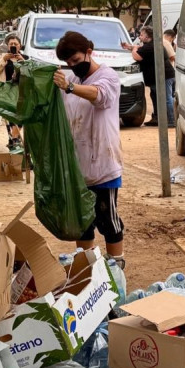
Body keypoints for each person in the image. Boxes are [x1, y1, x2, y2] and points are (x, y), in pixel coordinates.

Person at [53, 31, 125, 269]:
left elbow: (100, 96)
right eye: (69, 63)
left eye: (76, 60)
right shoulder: (72, 79)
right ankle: (87, 268)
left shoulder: (108, 76)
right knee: (82, 221)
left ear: (88, 52)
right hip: (78, 167)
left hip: (103, 164)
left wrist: (70, 87)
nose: (73, 66)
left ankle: (116, 266)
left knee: (109, 220)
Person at [124, 27, 175, 127]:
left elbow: (137, 56)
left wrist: (133, 49)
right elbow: (139, 49)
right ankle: (156, 118)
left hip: (164, 76)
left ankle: (171, 121)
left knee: (166, 98)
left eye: (142, 35)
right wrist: (130, 47)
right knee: (155, 96)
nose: (139, 37)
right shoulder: (151, 45)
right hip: (159, 77)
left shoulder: (151, 47)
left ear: (147, 36)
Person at [0, 33, 26, 151]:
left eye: (15, 44)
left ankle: (14, 140)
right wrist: (4, 59)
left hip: (20, 92)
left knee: (19, 117)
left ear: (20, 45)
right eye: (11, 44)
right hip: (7, 91)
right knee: (9, 116)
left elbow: (29, 72)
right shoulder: (3, 57)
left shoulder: (24, 57)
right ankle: (14, 140)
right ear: (7, 45)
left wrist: (22, 61)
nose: (13, 46)